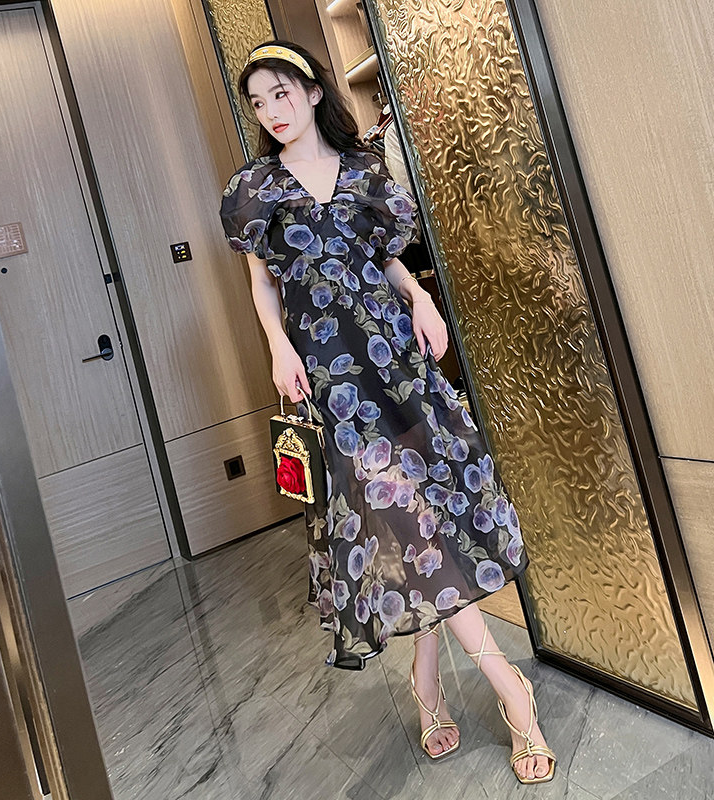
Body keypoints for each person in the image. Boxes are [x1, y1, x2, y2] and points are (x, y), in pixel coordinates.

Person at [219, 40, 556, 784]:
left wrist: (420, 297)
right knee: (403, 517)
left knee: (424, 510)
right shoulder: (252, 190)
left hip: (395, 358)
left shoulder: (366, 169)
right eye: (258, 101)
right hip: (332, 377)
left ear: (313, 92)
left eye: (282, 93)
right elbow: (262, 283)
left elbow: (384, 256)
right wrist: (277, 348)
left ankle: (426, 682)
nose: (271, 111)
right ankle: (508, 686)